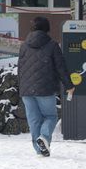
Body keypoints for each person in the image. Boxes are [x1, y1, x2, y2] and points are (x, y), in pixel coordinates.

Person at [18, 16, 75, 157]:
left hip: (26, 90)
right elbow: (60, 67)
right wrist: (69, 85)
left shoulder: (24, 46)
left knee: (34, 120)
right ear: (47, 29)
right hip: (45, 89)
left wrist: (22, 87)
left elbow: (20, 68)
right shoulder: (52, 45)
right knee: (50, 116)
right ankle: (43, 137)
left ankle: (40, 150)